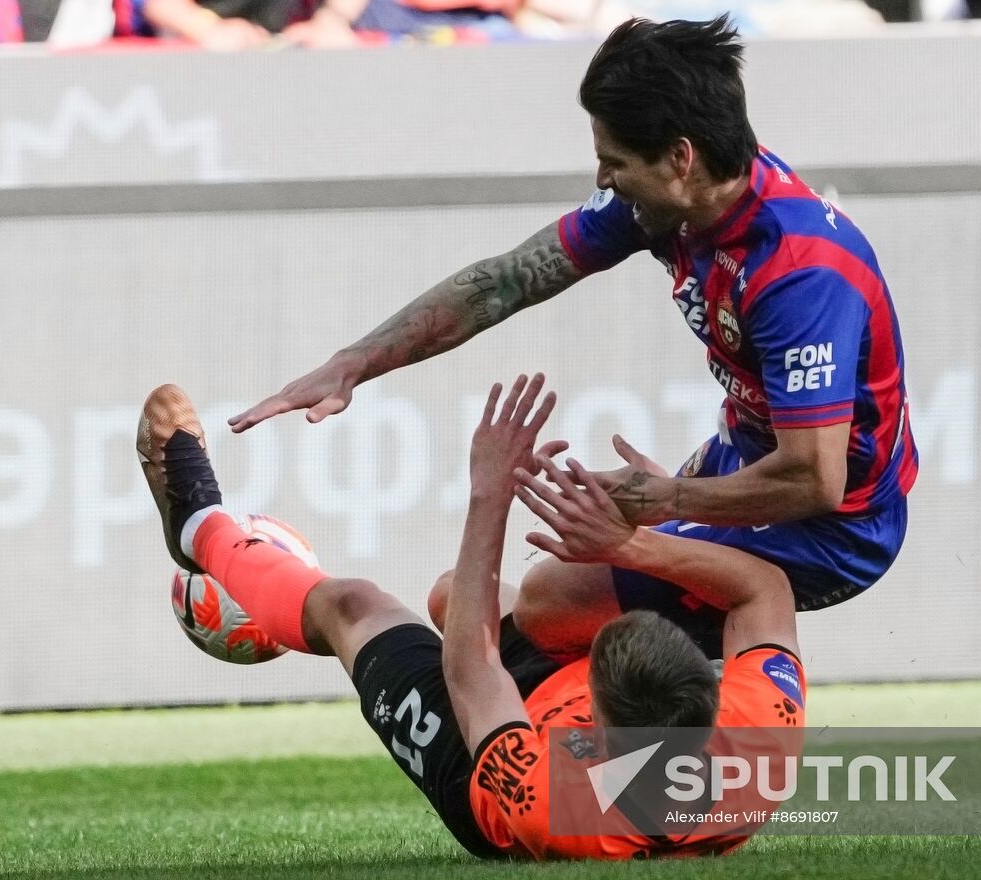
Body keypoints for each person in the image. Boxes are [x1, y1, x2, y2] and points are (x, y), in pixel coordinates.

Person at [226, 16, 917, 659]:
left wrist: (669, 499)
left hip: (833, 530)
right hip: (745, 462)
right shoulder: (671, 207)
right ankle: (560, 712)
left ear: (681, 157)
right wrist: (355, 363)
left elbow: (816, 479)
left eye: (615, 161)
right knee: (524, 597)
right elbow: (507, 282)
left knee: (555, 600)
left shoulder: (798, 273)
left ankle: (646, 759)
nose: (602, 180)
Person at [138, 374, 805, 859]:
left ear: (597, 726)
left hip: (475, 770)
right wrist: (631, 543)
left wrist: (490, 492)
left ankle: (200, 525)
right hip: (566, 706)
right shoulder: (759, 743)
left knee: (355, 605)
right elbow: (766, 589)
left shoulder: (554, 801)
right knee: (454, 591)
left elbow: (471, 674)